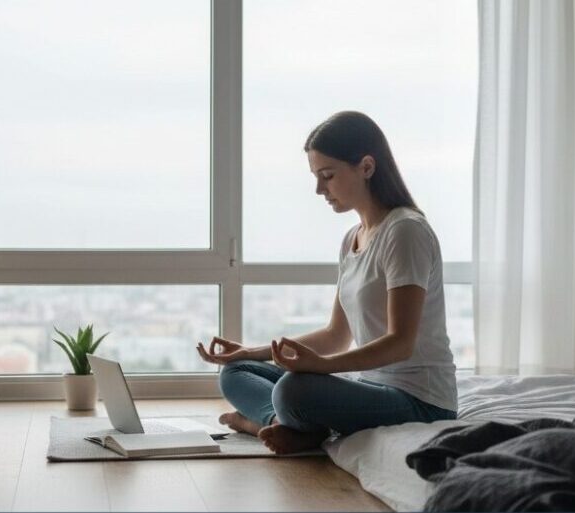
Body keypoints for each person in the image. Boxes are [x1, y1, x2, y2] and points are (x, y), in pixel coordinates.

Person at [196, 111, 457, 454]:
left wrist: (322, 367)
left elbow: (401, 343)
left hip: (420, 400)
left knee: (294, 390)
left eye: (328, 176)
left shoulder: (405, 231)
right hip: (371, 386)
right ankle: (281, 424)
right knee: (237, 371)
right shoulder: (352, 238)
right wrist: (251, 351)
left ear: (366, 167)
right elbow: (336, 336)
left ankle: (274, 422)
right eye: (316, 177)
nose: (319, 189)